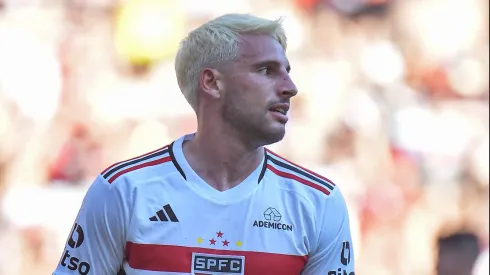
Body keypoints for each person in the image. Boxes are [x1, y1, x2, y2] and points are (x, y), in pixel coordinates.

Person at [53, 13, 355, 275]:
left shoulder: (318, 202)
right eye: (267, 70)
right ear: (211, 82)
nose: (290, 88)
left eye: (287, 72)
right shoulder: (123, 190)